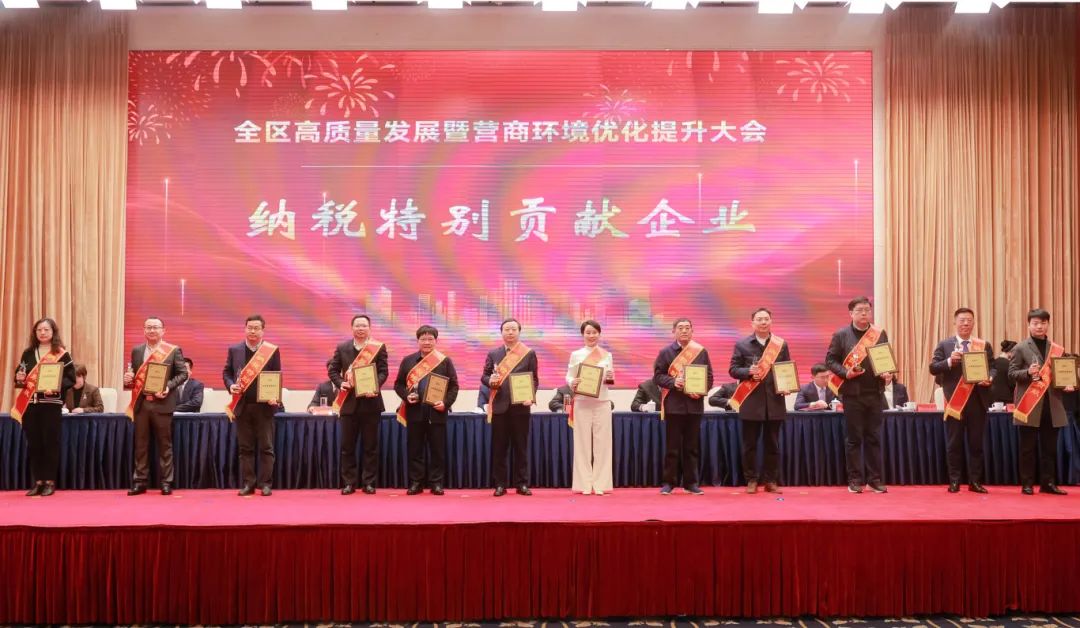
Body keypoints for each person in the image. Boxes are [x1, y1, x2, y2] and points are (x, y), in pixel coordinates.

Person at [825, 296, 890, 494]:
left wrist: (888, 372)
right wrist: (845, 373)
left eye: (867, 310)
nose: (864, 313)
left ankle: (874, 480)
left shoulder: (879, 334)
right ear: (851, 313)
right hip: (852, 394)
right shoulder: (841, 335)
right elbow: (830, 361)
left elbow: (884, 358)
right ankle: (854, 479)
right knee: (854, 439)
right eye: (860, 310)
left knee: (874, 438)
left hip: (875, 393)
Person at [1008, 308, 1074, 495]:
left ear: (1048, 325)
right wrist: (1028, 372)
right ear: (1029, 325)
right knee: (1027, 448)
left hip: (1052, 405)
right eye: (1035, 323)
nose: (1039, 327)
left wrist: (1068, 384)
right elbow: (1011, 374)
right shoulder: (1020, 347)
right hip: (1029, 404)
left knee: (1050, 448)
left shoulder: (1057, 349)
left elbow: (1062, 374)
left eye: (1043, 323)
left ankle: (1048, 483)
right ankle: (1027, 484)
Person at [929, 307, 994, 494]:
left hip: (977, 401)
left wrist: (990, 377)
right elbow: (933, 367)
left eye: (969, 320)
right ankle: (954, 481)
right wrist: (950, 361)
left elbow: (993, 367)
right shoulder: (945, 345)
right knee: (954, 443)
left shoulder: (983, 345)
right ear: (955, 322)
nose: (966, 323)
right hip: (954, 402)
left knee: (976, 444)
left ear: (973, 323)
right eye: (962, 320)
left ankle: (975, 482)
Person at [728, 307, 793, 494]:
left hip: (774, 401)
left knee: (772, 444)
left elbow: (785, 368)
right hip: (751, 401)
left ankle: (770, 481)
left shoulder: (781, 344)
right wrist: (748, 372)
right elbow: (733, 370)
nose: (763, 322)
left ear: (771, 321)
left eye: (766, 319)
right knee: (750, 445)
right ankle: (751, 480)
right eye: (759, 319)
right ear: (752, 323)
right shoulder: (742, 345)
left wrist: (787, 384)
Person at [123, 316, 189, 496]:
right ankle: (140, 481)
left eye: (155, 327)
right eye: (148, 327)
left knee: (165, 445)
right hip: (142, 404)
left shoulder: (173, 350)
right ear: (144, 330)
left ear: (163, 331)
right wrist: (128, 379)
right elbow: (135, 378)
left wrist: (168, 387)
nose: (152, 330)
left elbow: (183, 374)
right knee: (141, 445)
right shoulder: (137, 351)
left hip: (163, 404)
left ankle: (166, 482)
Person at [12, 318, 75, 497]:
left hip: (51, 405)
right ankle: (38, 482)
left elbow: (70, 378)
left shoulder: (61, 354)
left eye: (46, 329)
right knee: (34, 444)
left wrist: (56, 386)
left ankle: (49, 482)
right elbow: (20, 377)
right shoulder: (28, 353)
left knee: (50, 443)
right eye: (39, 329)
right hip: (30, 405)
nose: (42, 333)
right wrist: (19, 378)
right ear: (35, 332)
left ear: (53, 332)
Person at [393, 325, 459, 495]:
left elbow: (454, 386)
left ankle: (436, 483)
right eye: (423, 339)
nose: (427, 342)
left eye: (430, 339)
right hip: (414, 412)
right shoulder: (408, 361)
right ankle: (416, 482)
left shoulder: (444, 361)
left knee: (437, 450)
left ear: (436, 341)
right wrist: (406, 396)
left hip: (437, 412)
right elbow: (398, 384)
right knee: (415, 449)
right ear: (418, 341)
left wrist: (445, 403)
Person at [328, 314, 388, 495]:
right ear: (352, 328)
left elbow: (383, 372)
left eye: (364, 326)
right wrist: (341, 383)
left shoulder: (378, 348)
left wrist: (375, 386)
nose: (361, 328)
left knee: (371, 447)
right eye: (357, 325)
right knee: (347, 447)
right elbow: (333, 370)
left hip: (371, 403)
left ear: (369, 328)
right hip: (348, 404)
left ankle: (369, 483)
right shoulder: (342, 347)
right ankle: (349, 483)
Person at [223, 314, 282, 497]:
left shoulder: (271, 351)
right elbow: (227, 373)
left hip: (264, 407)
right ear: (245, 329)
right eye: (250, 327)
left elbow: (276, 375)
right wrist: (230, 385)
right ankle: (249, 483)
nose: (253, 331)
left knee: (266, 448)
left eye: (256, 328)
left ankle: (265, 484)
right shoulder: (234, 350)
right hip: (243, 406)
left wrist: (274, 396)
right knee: (245, 448)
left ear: (263, 331)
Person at [653, 318, 713, 495]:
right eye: (680, 328)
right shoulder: (666, 352)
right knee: (672, 448)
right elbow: (658, 377)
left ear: (692, 331)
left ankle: (691, 483)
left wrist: (701, 391)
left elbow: (709, 377)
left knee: (691, 447)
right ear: (674, 331)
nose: (684, 331)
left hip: (694, 405)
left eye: (687, 328)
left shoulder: (701, 352)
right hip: (674, 406)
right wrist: (673, 382)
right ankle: (668, 483)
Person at [482, 318, 539, 496]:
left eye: (514, 329)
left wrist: (531, 396)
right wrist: (490, 380)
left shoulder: (528, 353)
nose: (510, 332)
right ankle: (500, 484)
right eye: (507, 329)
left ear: (519, 331)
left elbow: (534, 379)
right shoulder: (494, 353)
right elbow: (484, 376)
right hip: (499, 407)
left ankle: (522, 484)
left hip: (521, 407)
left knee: (521, 448)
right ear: (501, 332)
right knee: (499, 448)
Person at [565, 319, 615, 496]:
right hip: (582, 402)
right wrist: (573, 382)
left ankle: (601, 484)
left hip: (602, 402)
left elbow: (609, 380)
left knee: (603, 444)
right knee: (582, 444)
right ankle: (584, 485)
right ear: (583, 334)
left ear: (599, 334)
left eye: (594, 332)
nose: (591, 335)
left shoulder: (607, 355)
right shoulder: (576, 354)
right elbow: (569, 376)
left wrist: (610, 377)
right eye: (588, 332)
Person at [990, 340, 1017, 404]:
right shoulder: (1010, 365)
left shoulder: (993, 362)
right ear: (1011, 352)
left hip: (992, 397)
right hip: (1007, 398)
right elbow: (1013, 383)